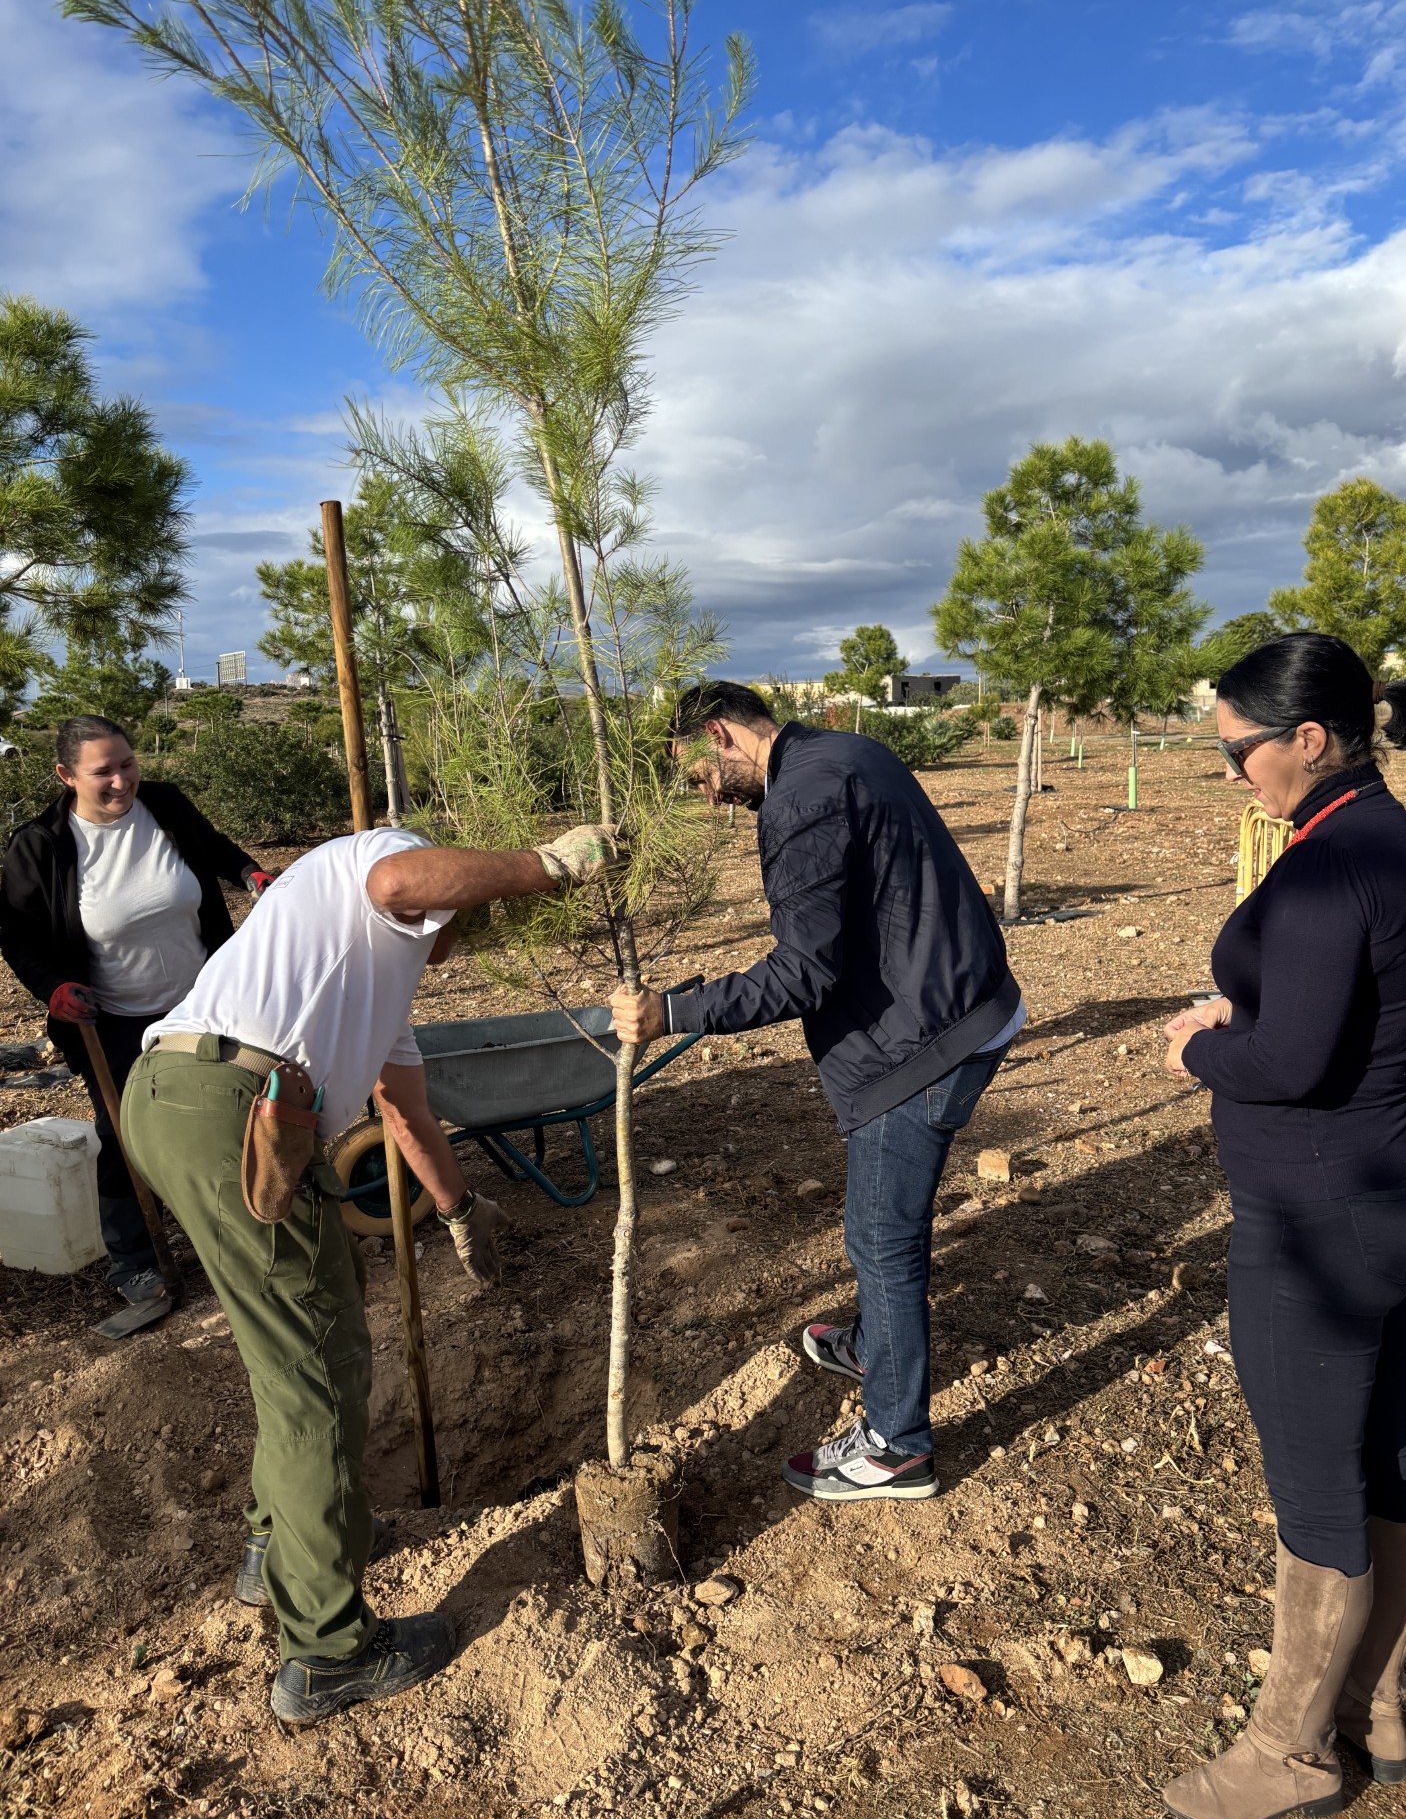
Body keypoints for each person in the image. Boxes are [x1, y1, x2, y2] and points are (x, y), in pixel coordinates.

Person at [119, 817, 620, 1725]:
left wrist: (464, 1212)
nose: (451, 939)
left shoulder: (379, 986)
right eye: (464, 908)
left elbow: (407, 1113)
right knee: (320, 1373)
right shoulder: (377, 867)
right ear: (456, 880)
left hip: (178, 1097)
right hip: (240, 1111)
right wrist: (544, 867)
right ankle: (326, 1654)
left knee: (294, 1352)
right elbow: (398, 885)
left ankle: (279, 1547)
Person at [609, 682, 1022, 1503]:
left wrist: (676, 1011)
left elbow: (803, 972)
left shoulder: (797, 799)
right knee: (879, 1230)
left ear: (720, 736)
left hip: (926, 1044)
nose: (703, 797)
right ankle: (875, 1343)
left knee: (881, 1239)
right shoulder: (845, 753)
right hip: (960, 1000)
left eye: (694, 776)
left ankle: (898, 1445)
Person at [1159, 634, 1406, 1819]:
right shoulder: (1398, 844)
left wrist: (1196, 1046)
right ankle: (1377, 1707)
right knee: (1384, 1446)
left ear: (1309, 741)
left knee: (1316, 1484)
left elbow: (1285, 1062)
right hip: (1389, 1190)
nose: (1233, 773)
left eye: (1239, 751)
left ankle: (1290, 1751)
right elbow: (1360, 1008)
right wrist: (1261, 1001)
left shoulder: (1331, 866)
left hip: (1317, 1221)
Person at [0, 714, 271, 1321]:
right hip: (113, 1019)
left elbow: (215, 849)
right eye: (104, 772)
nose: (122, 780)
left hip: (205, 1002)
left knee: (230, 1113)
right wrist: (52, 987)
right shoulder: (41, 844)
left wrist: (249, 873)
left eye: (128, 764)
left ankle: (242, 1225)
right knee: (124, 1135)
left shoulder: (165, 805)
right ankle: (135, 1259)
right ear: (66, 775)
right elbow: (15, 933)